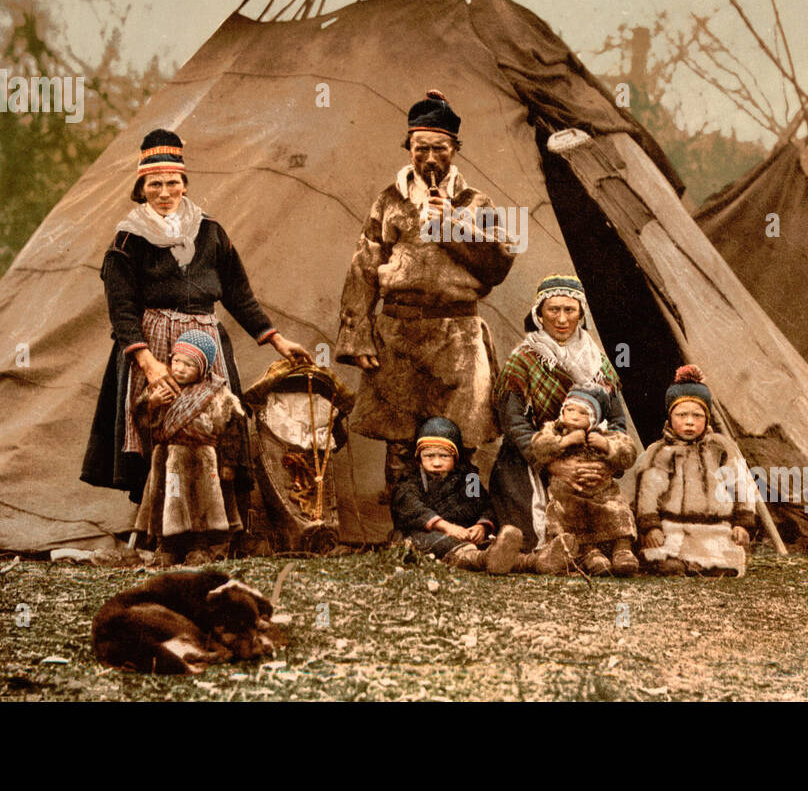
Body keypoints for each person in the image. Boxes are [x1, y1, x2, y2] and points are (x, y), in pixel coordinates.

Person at [81, 128, 311, 525]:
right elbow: (121, 311)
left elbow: (238, 294)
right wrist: (150, 366)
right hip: (151, 344)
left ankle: (218, 524)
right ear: (141, 188)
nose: (165, 192)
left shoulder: (211, 232)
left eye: (173, 183)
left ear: (185, 185)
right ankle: (160, 526)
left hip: (206, 345)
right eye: (155, 184)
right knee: (158, 425)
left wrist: (276, 340)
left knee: (215, 425)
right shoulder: (127, 241)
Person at [335, 90, 515, 502]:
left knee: (459, 433)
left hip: (457, 332)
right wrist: (357, 334)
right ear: (409, 148)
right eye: (421, 148)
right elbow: (364, 266)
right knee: (400, 436)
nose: (430, 158)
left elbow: (500, 264)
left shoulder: (476, 203)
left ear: (455, 149)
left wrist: (451, 225)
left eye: (440, 148)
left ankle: (459, 521)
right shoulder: (389, 200)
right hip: (398, 330)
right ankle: (406, 526)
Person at [489, 274, 624, 557]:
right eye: (553, 310)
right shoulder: (522, 360)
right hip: (531, 459)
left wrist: (604, 463)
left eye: (569, 310)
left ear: (581, 314)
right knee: (532, 538)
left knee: (604, 531)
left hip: (587, 456)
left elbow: (617, 422)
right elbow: (514, 424)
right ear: (539, 314)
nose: (561, 319)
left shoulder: (598, 363)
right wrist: (552, 464)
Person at [132, 330, 246, 566]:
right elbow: (141, 421)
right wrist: (151, 404)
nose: (180, 369)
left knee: (202, 505)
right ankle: (168, 547)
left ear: (203, 369)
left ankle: (199, 547)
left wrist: (229, 464)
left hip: (202, 462)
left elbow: (233, 428)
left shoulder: (217, 393)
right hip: (169, 460)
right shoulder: (161, 388)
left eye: (189, 365)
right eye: (176, 362)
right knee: (169, 501)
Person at [637, 365, 755, 577]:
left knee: (723, 565)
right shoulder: (661, 451)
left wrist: (742, 524)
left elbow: (742, 486)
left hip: (715, 527)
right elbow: (648, 492)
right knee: (666, 562)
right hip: (673, 528)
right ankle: (676, 562)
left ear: (707, 418)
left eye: (697, 416)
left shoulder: (721, 448)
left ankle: (709, 563)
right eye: (682, 415)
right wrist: (651, 527)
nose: (690, 422)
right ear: (670, 419)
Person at [390, 417, 525, 574]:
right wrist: (448, 528)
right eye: (429, 456)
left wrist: (481, 526)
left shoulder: (469, 478)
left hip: (464, 533)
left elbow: (483, 504)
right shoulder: (410, 481)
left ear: (456, 457)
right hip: (430, 534)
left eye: (444, 456)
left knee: (493, 543)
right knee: (423, 542)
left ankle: (536, 561)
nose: (436, 463)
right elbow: (413, 508)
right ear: (419, 457)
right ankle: (483, 559)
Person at [530, 387, 640, 576]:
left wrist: (607, 446)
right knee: (571, 515)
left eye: (583, 412)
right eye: (570, 410)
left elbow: (629, 453)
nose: (574, 416)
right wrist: (564, 442)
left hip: (602, 492)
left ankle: (622, 549)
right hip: (569, 493)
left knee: (618, 509)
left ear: (594, 418)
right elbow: (538, 448)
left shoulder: (603, 434)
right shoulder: (554, 432)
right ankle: (589, 553)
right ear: (562, 412)